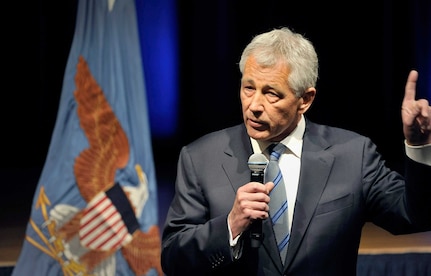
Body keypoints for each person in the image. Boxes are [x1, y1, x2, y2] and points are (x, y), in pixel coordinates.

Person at [161, 27, 431, 275]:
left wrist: (419, 147)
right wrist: (230, 225)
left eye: (271, 94)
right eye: (248, 88)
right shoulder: (200, 158)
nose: (254, 105)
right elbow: (173, 258)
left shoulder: (353, 155)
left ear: (305, 100)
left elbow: (414, 216)